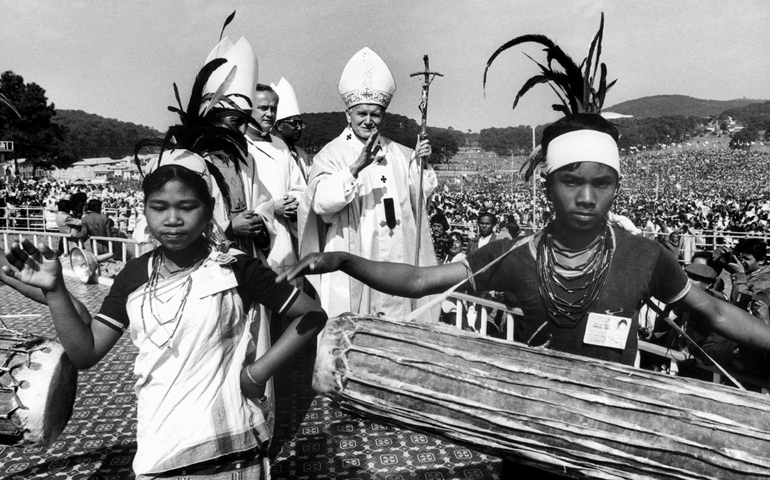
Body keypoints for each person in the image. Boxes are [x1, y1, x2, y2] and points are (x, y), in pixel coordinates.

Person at [281, 113, 770, 368]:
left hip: (615, 422)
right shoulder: (515, 253)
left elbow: (717, 312)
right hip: (531, 421)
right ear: (548, 184)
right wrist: (343, 259)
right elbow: (419, 280)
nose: (586, 197)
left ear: (617, 188)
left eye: (601, 184)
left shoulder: (646, 256)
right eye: (571, 181)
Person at [2, 161, 327, 479]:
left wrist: (257, 374)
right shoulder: (133, 276)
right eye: (159, 208)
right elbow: (86, 353)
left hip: (230, 450)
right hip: (160, 448)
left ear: (209, 207)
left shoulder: (236, 268)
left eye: (187, 207)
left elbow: (311, 314)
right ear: (146, 210)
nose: (173, 219)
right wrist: (55, 289)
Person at [297, 47, 437, 320]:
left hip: (400, 254)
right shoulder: (332, 153)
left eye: (376, 114)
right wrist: (356, 168)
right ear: (347, 113)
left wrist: (422, 164)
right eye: (361, 113)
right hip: (355, 251)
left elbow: (420, 201)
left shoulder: (401, 153)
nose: (368, 120)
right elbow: (322, 204)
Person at [246, 84, 305, 280]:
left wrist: (294, 201)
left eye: (274, 109)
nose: (270, 114)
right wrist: (272, 207)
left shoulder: (280, 145)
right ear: (248, 108)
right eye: (263, 108)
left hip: (286, 234)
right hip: (257, 236)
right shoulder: (240, 145)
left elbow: (298, 185)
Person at [271, 77, 312, 184]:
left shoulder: (302, 155)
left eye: (300, 124)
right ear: (279, 126)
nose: (299, 128)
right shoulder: (271, 153)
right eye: (294, 124)